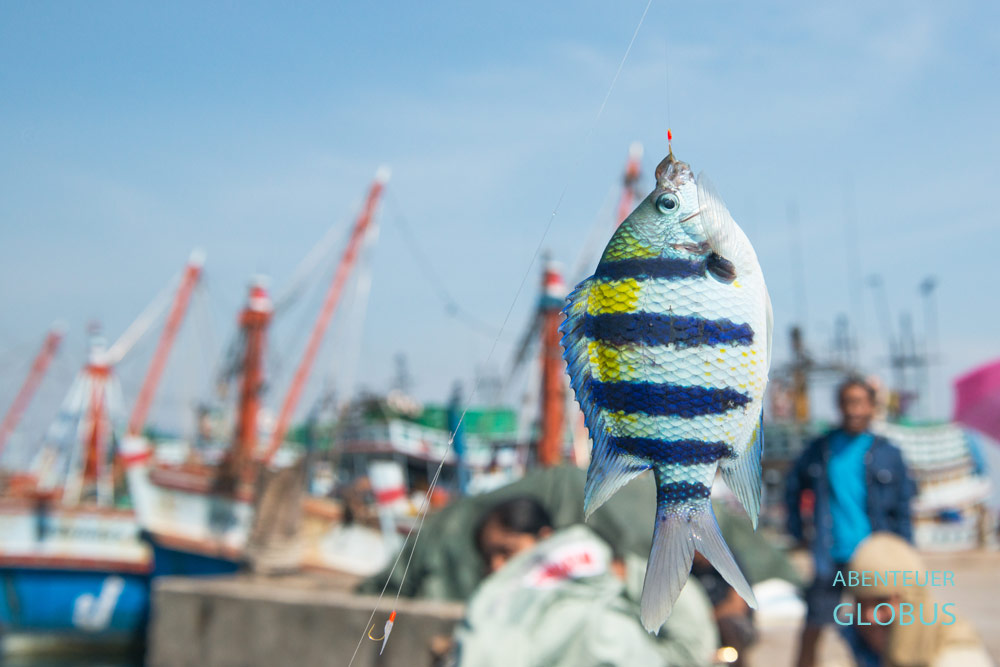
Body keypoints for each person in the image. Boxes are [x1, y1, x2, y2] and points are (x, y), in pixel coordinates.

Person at [451, 497, 719, 666]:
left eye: (506, 552)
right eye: (488, 558)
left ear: (546, 541)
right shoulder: (509, 606)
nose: (497, 567)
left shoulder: (643, 582)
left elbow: (692, 654)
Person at [785, 377, 917, 667]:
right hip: (829, 556)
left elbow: (903, 508)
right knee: (814, 626)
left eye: (859, 402)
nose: (853, 409)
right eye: (847, 402)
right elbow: (792, 488)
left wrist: (905, 556)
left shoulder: (889, 454)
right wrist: (798, 531)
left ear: (871, 406)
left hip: (874, 559)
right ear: (839, 406)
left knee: (878, 629)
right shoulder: (820, 449)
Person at [842, 533, 991, 667]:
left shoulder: (957, 656)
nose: (870, 617)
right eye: (861, 603)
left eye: (881, 602)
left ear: (911, 600)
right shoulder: (858, 644)